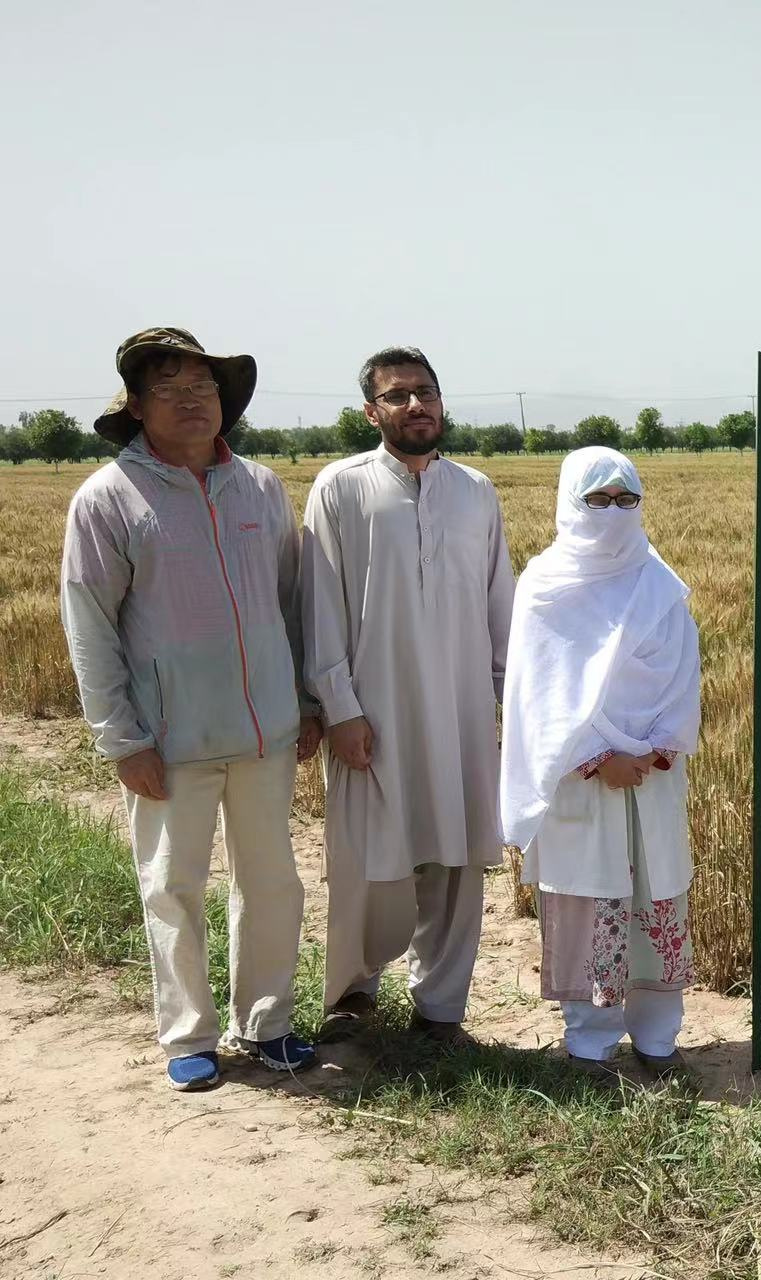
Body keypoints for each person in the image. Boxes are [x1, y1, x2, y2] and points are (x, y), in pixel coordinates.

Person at [61, 327, 320, 1090]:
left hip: (266, 730)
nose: (190, 403)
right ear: (137, 408)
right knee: (173, 888)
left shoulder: (261, 487)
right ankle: (187, 1036)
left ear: (224, 401)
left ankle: (268, 1023)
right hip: (168, 740)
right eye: (169, 392)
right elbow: (89, 625)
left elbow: (289, 603)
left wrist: (302, 700)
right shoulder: (108, 499)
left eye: (202, 389)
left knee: (272, 881)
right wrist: (120, 739)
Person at [302, 346, 515, 1044]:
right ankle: (352, 997)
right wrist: (340, 708)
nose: (415, 405)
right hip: (374, 713)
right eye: (397, 396)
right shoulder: (340, 488)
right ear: (372, 411)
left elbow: (498, 603)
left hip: (458, 712)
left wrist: (501, 700)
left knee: (456, 860)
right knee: (367, 861)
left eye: (426, 392)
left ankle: (441, 1008)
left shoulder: (476, 491)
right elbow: (321, 607)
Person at [498, 447, 702, 1073]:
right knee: (592, 898)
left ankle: (658, 1038)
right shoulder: (543, 587)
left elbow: (682, 671)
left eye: (625, 500)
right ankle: (589, 1041)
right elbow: (539, 691)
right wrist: (597, 755)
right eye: (598, 500)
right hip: (582, 779)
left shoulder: (659, 583)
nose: (613, 513)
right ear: (569, 503)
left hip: (654, 774)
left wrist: (658, 745)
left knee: (655, 893)